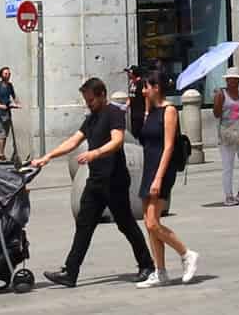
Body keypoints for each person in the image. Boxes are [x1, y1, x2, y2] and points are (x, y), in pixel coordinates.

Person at [36, 76, 157, 289]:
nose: (88, 104)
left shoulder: (114, 114)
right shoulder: (91, 118)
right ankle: (70, 273)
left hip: (115, 180)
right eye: (86, 100)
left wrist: (95, 153)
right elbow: (74, 140)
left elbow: (117, 140)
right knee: (84, 224)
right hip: (95, 181)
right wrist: (48, 156)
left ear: (102, 95)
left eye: (90, 100)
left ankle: (147, 265)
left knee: (125, 223)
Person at [136, 69, 199, 286]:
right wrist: (145, 106)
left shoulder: (170, 110)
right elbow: (145, 137)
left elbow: (169, 146)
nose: (143, 90)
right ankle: (160, 271)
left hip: (162, 170)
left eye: (146, 86)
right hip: (149, 167)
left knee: (153, 223)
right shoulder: (151, 110)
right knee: (148, 222)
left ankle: (186, 253)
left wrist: (158, 178)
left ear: (157, 88)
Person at [213, 68, 239, 205]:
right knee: (228, 165)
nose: (234, 81)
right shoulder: (221, 94)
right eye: (231, 79)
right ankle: (228, 195)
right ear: (227, 80)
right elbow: (216, 114)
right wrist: (217, 99)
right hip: (227, 133)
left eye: (237, 79)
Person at [0, 67, 22, 161]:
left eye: (9, 74)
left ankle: (2, 153)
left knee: (6, 134)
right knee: (2, 134)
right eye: (5, 73)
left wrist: (17, 104)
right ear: (1, 75)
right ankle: (0, 154)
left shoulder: (9, 85)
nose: (8, 75)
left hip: (7, 112)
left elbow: (14, 96)